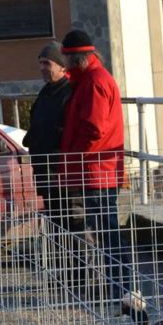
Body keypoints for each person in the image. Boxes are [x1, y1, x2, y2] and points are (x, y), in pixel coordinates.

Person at [58, 29, 129, 298]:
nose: (64, 65)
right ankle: (119, 289)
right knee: (105, 232)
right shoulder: (92, 80)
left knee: (107, 234)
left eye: (66, 59)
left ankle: (121, 290)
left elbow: (94, 129)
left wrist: (73, 156)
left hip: (97, 171)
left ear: (78, 59)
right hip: (98, 170)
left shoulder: (94, 82)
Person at [23, 41, 70, 221]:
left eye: (47, 63)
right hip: (44, 169)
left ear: (62, 67)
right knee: (53, 219)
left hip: (59, 170)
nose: (42, 68)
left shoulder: (68, 93)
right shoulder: (46, 92)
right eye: (40, 63)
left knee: (66, 219)